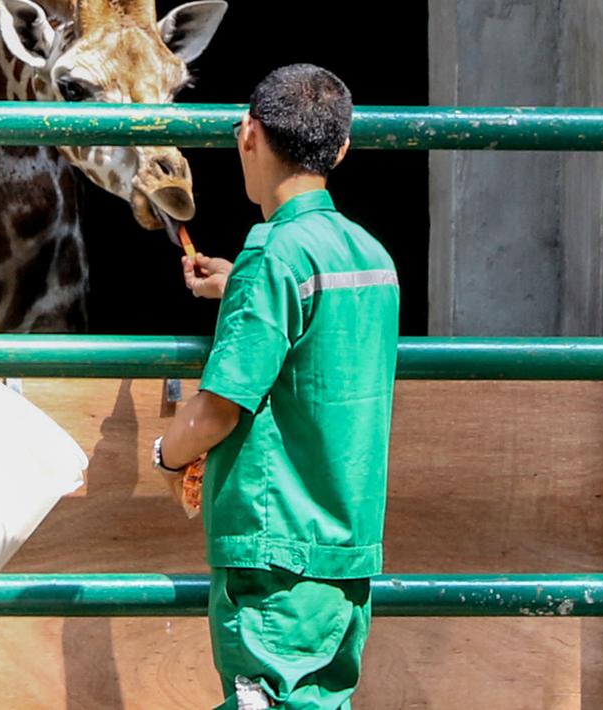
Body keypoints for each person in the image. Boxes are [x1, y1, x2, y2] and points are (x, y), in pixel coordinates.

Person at [151, 64, 400, 710]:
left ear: (248, 135)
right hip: (345, 555)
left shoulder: (274, 256)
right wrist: (240, 284)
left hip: (273, 557)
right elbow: (314, 343)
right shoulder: (372, 259)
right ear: (340, 148)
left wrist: (165, 454)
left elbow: (217, 410)